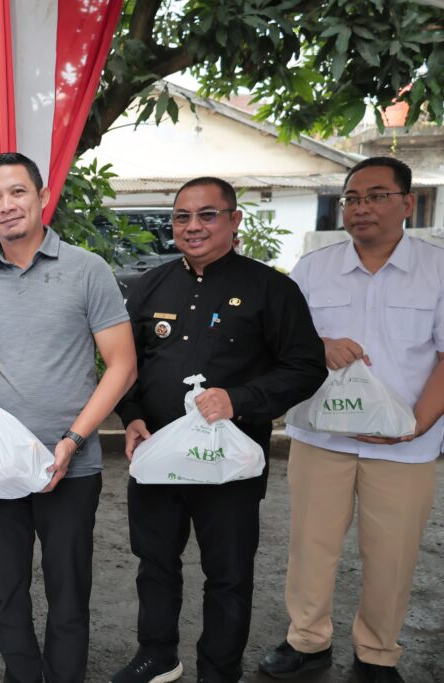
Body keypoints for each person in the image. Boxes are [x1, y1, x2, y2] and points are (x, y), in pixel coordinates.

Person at [113, 177, 327, 683]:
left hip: (230, 459)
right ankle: (158, 655)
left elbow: (306, 367)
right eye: (182, 216)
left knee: (228, 573)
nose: (193, 226)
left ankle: (219, 669)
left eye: (207, 215)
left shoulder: (272, 289)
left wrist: (240, 399)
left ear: (234, 220)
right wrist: (132, 415)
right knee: (154, 562)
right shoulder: (149, 287)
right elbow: (125, 364)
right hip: (159, 453)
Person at [258, 157, 444, 683]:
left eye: (377, 196)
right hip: (322, 437)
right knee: (310, 546)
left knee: (393, 555)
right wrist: (318, 345)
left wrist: (416, 426)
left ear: (407, 203)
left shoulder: (437, 269)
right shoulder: (313, 269)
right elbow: (277, 340)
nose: (362, 208)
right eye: (353, 199)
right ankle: (307, 641)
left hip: (406, 445)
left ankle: (378, 652)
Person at [0, 152, 137, 682]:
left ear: (42, 197)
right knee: (6, 589)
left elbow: (123, 365)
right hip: (2, 464)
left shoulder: (87, 269)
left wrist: (73, 440)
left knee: (68, 591)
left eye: (18, 192)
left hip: (72, 461)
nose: (7, 205)